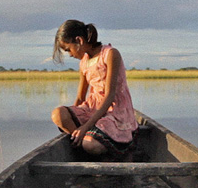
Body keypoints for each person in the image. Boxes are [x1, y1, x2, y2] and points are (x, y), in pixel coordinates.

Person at [51, 20, 138, 156]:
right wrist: (75, 118)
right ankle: (83, 148)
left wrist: (85, 127)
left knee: (90, 143)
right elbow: (80, 97)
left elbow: (109, 96)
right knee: (58, 114)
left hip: (114, 110)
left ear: (79, 40)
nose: (70, 55)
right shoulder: (84, 63)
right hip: (93, 108)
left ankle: (95, 147)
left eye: (69, 49)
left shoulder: (110, 54)